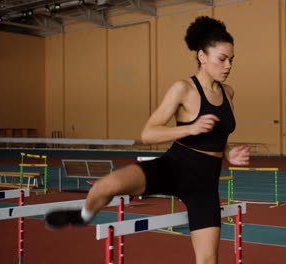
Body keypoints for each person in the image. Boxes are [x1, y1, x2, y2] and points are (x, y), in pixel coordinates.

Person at [45, 16, 250, 264]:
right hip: (173, 166)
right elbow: (148, 133)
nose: (228, 65)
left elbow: (217, 136)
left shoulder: (229, 92)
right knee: (104, 187)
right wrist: (189, 129)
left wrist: (229, 153)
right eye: (222, 59)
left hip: (204, 184)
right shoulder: (183, 88)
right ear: (202, 57)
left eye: (231, 60)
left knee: (208, 260)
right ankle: (84, 215)